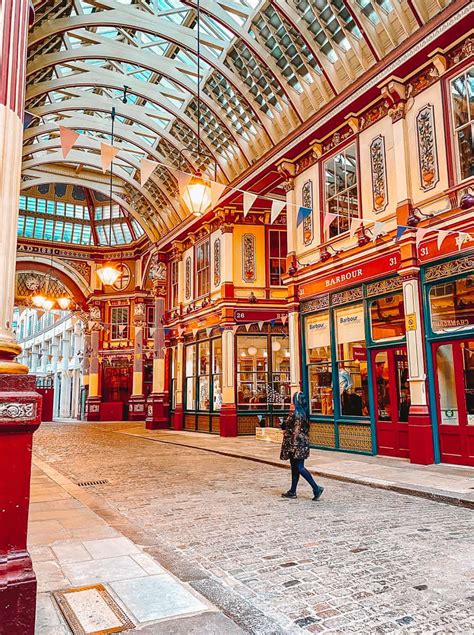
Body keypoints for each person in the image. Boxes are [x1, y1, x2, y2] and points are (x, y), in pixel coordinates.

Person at [280, 391, 324, 501]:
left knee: (299, 467)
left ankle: (316, 488)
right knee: (295, 468)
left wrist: (293, 446)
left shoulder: (298, 414)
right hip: (300, 444)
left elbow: (296, 431)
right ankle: (292, 491)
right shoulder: (302, 412)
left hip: (296, 444)